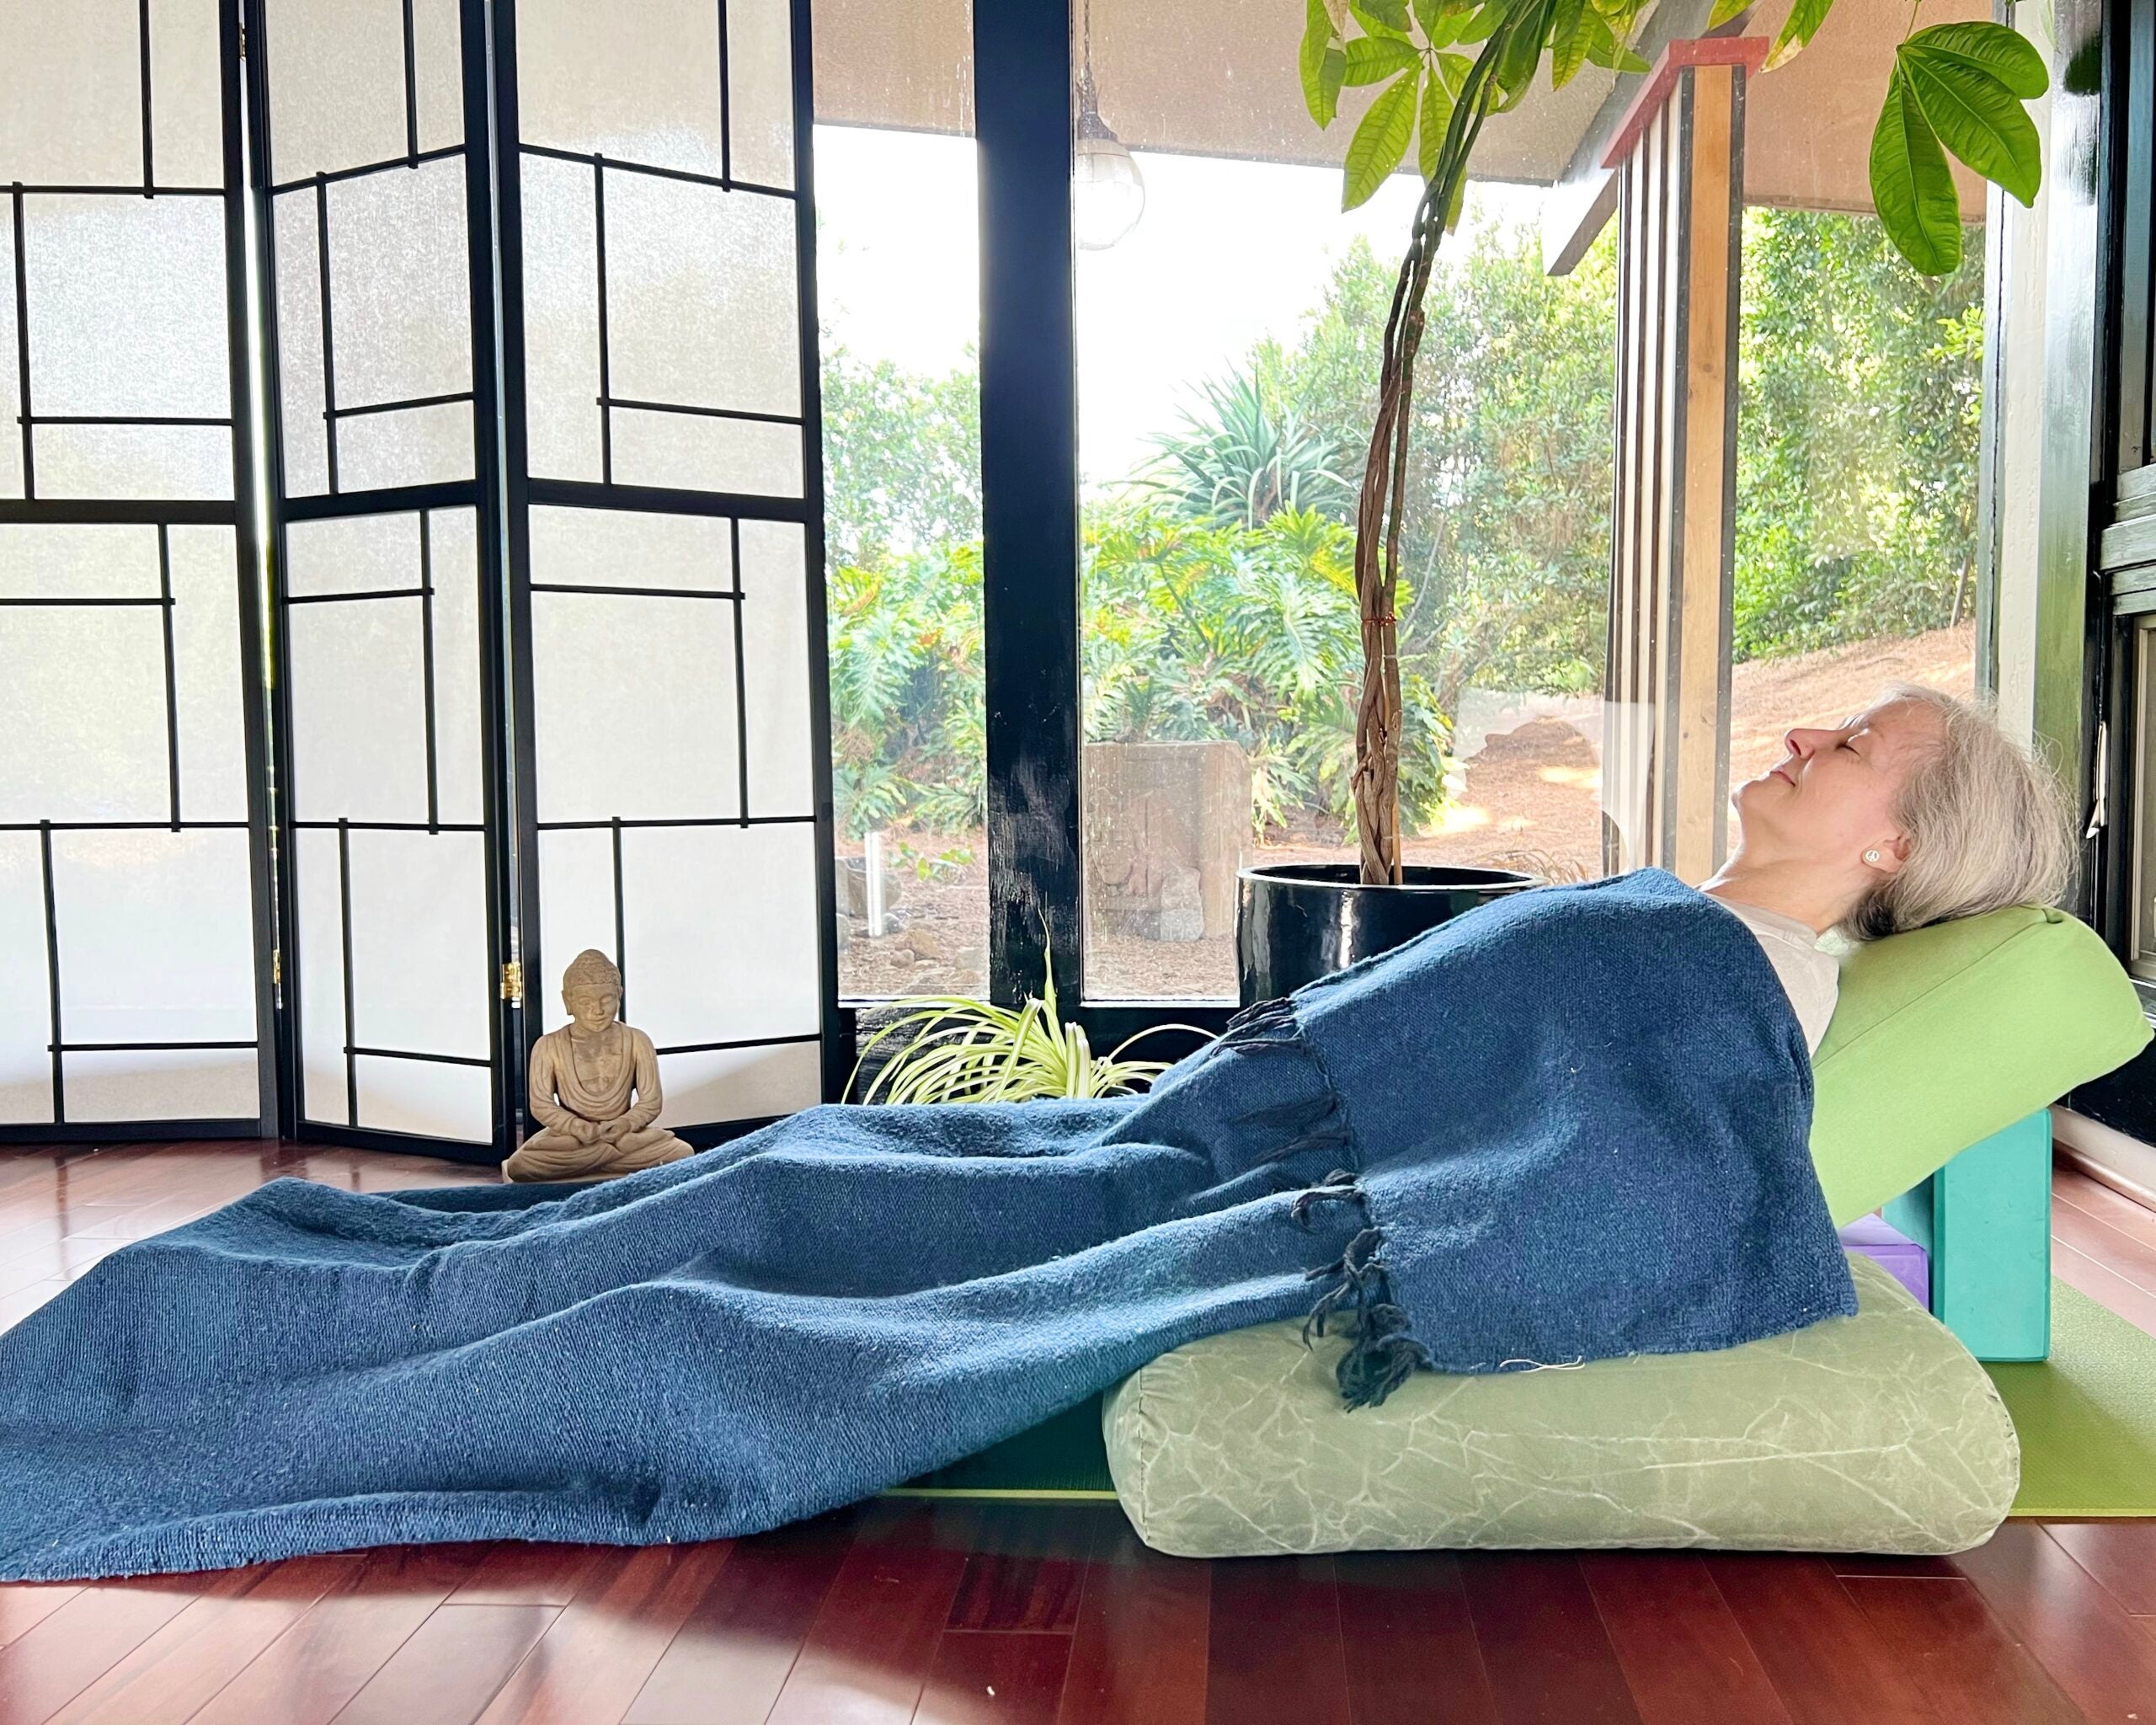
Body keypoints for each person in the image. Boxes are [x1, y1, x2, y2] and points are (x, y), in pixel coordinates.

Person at [1699, 681, 2077, 1056]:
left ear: (1898, 847)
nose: (1798, 736)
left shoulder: (1761, 979)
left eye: (1850, 747)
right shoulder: (1711, 939)